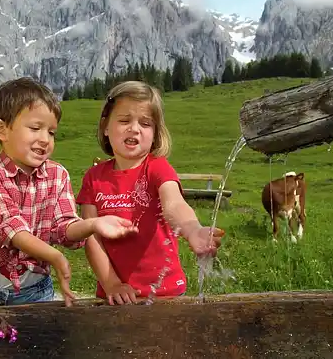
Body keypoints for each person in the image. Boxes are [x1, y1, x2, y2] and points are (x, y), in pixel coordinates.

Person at [0, 77, 137, 307]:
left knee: (41, 342)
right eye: (35, 128)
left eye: (52, 132)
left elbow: (63, 227)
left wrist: (93, 224)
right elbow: (15, 232)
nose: (45, 139)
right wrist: (55, 257)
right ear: (2, 130)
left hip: (36, 289)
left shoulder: (58, 175)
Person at [76, 80, 225, 305]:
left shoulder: (157, 168)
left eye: (145, 123)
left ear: (155, 133)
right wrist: (111, 284)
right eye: (124, 120)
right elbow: (91, 237)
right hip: (115, 297)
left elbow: (174, 205)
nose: (134, 128)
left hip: (165, 294)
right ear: (106, 127)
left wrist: (193, 230)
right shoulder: (93, 177)